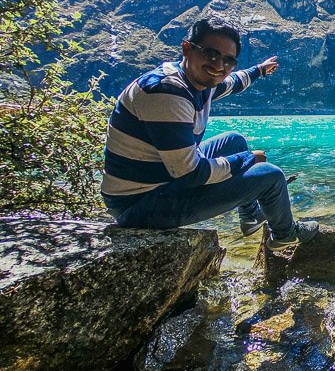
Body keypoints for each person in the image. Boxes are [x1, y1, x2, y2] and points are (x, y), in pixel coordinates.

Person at [100, 18, 318, 251]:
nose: (219, 65)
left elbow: (233, 82)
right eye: (211, 54)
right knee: (269, 176)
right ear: (187, 48)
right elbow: (191, 173)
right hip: (138, 204)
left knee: (234, 141)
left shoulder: (193, 80)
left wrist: (259, 70)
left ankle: (250, 216)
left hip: (159, 179)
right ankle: (285, 234)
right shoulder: (167, 92)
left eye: (228, 60)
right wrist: (248, 159)